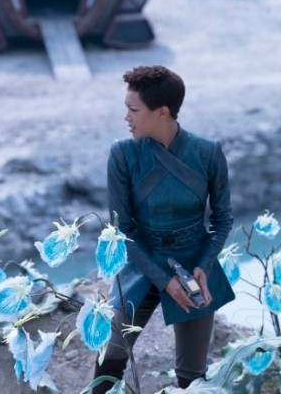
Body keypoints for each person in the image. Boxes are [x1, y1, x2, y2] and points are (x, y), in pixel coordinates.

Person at [93, 65, 235, 393]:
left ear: (162, 112)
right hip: (142, 262)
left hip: (194, 264)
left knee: (191, 376)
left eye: (133, 110)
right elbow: (122, 229)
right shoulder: (123, 154)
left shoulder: (208, 152)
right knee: (109, 356)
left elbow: (222, 219)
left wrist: (204, 266)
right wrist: (165, 281)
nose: (126, 118)